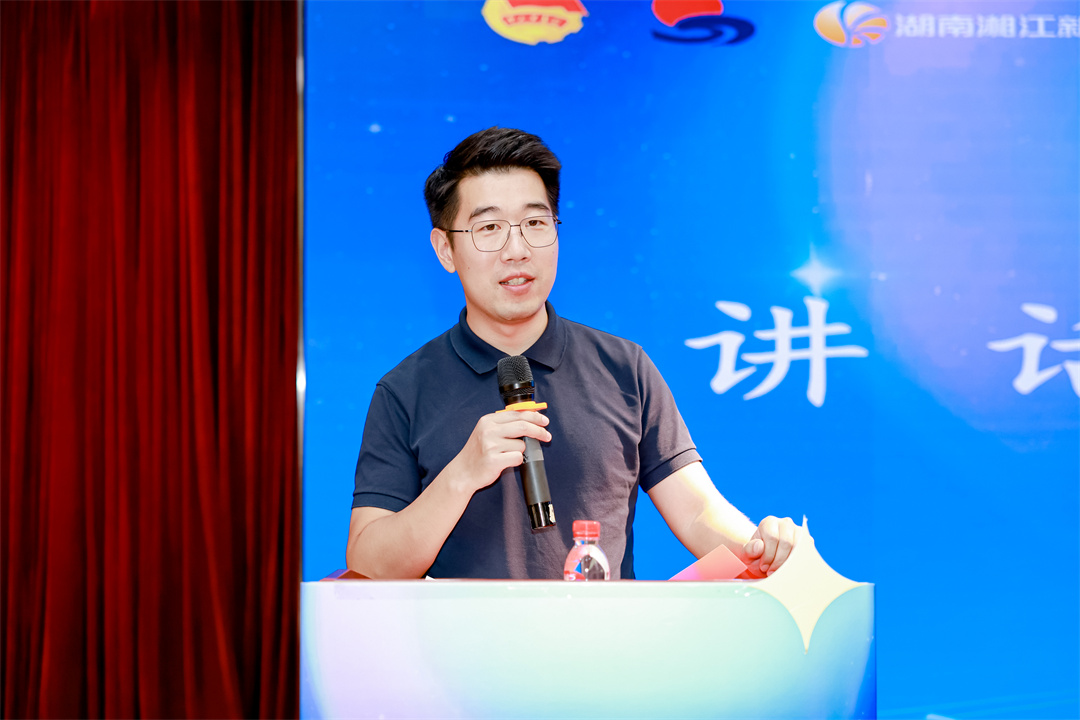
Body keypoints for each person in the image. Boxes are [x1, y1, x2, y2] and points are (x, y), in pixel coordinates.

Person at [346, 127, 797, 579]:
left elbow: (697, 510)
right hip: (464, 628)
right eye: (489, 228)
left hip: (601, 627)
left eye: (535, 223)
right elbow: (368, 562)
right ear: (446, 249)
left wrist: (760, 547)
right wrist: (461, 475)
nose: (517, 250)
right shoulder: (405, 391)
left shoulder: (624, 369)